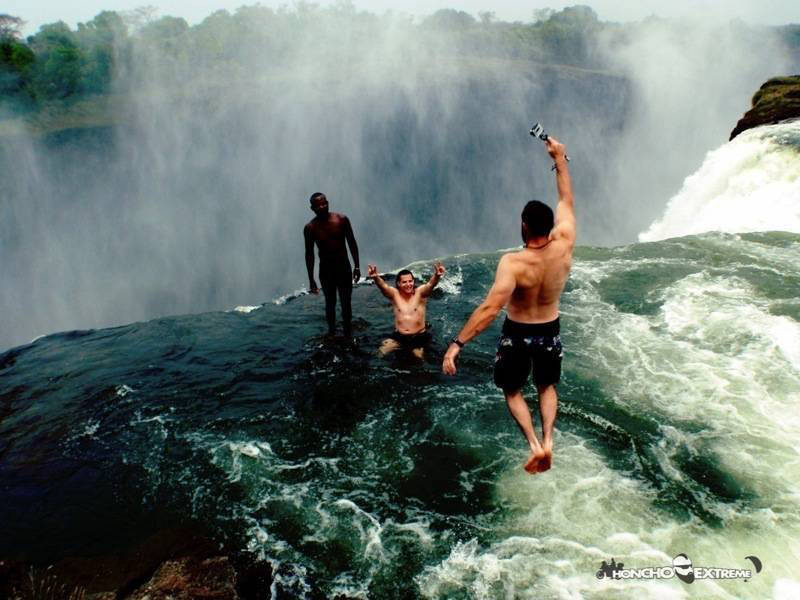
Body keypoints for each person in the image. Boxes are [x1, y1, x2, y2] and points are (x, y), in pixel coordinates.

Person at [442, 136, 575, 474]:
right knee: (546, 386)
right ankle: (549, 441)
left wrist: (457, 344)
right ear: (550, 226)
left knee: (513, 391)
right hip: (550, 329)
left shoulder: (513, 263)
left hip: (517, 333)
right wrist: (559, 158)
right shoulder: (565, 244)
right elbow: (566, 199)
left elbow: (490, 309)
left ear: (525, 226)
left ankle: (533, 445)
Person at [304, 192, 361, 337]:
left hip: (344, 268)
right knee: (330, 303)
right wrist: (311, 279)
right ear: (312, 208)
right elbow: (309, 254)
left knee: (346, 303)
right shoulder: (310, 228)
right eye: (318, 205)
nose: (322, 207)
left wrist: (357, 266)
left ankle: (347, 333)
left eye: (324, 203)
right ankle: (331, 333)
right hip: (326, 271)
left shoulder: (341, 220)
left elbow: (352, 243)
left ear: (328, 203)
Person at [367, 262, 445, 358]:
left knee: (418, 358)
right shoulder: (395, 295)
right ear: (398, 283)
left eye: (410, 281)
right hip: (399, 337)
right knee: (380, 353)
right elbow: (383, 287)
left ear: (413, 281)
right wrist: (375, 277)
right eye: (404, 282)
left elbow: (430, 285)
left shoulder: (420, 293)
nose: (408, 284)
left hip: (419, 337)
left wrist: (437, 276)